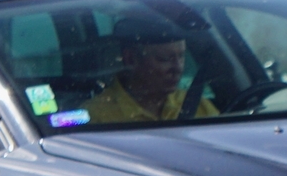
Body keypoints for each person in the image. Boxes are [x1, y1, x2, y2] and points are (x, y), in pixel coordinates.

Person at [82, 17, 219, 125]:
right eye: (164, 59)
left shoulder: (200, 106)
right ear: (130, 59)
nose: (178, 68)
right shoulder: (96, 116)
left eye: (181, 56)